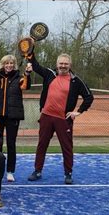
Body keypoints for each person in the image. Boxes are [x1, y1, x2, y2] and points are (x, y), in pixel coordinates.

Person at [27, 53, 94, 184]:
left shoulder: (76, 81)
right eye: (61, 63)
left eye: (66, 64)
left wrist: (78, 112)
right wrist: (30, 51)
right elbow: (35, 65)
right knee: (42, 145)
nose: (63, 66)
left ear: (70, 65)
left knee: (67, 147)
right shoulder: (49, 74)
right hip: (46, 116)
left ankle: (68, 173)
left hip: (64, 119)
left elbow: (89, 97)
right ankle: (37, 170)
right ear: (57, 64)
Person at [0, 55, 32, 182]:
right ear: (2, 64)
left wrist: (27, 74)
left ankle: (10, 171)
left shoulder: (19, 78)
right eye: (6, 63)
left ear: (14, 65)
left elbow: (26, 86)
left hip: (13, 116)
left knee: (11, 144)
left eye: (11, 63)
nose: (9, 65)